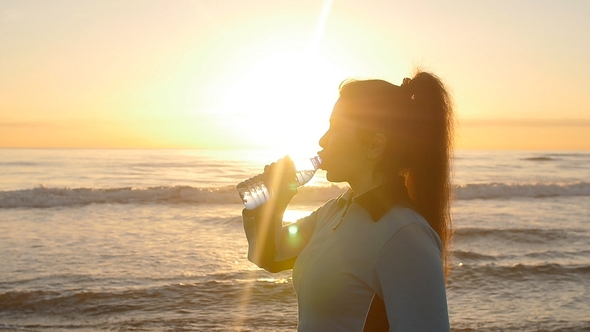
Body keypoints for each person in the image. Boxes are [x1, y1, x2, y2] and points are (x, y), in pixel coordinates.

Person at [242, 71, 453, 331]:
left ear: (375, 146)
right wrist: (275, 201)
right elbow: (271, 256)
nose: (322, 140)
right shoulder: (337, 211)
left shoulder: (405, 235)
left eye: (336, 128)